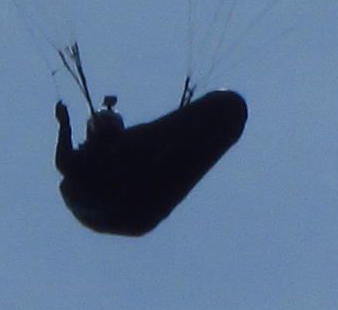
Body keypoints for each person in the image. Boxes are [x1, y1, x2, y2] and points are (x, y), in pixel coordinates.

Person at [52, 81, 248, 237]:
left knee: (138, 151)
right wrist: (64, 124)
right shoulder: (100, 157)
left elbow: (65, 161)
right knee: (132, 149)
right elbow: (64, 162)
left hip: (137, 210)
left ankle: (219, 117)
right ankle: (219, 114)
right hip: (123, 209)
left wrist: (65, 124)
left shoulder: (123, 150)